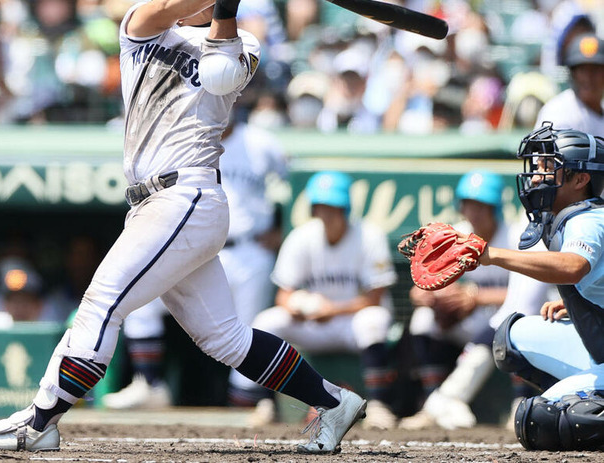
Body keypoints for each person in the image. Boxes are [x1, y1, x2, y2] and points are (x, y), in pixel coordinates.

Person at [0, 0, 366, 455]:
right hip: (156, 205)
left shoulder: (246, 42)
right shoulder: (143, 25)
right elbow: (165, 6)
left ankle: (39, 421)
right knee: (224, 337)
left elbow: (220, 76)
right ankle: (334, 402)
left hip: (188, 197)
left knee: (102, 303)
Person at [101, 107, 287, 410]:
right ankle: (149, 384)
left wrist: (281, 229)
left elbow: (297, 184)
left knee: (249, 329)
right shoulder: (184, 140)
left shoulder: (261, 142)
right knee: (141, 300)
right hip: (193, 247)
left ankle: (249, 405)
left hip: (248, 249)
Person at [229, 171, 399, 430]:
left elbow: (375, 297)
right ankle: (264, 404)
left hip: (351, 323)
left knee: (373, 320)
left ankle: (378, 406)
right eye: (320, 207)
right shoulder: (302, 236)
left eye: (332, 207)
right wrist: (299, 307)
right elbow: (283, 295)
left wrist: (334, 309)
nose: (326, 214)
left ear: (345, 208)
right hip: (314, 322)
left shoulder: (369, 236)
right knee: (267, 321)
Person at [482, 123, 604, 450]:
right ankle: (589, 391)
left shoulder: (587, 220)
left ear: (581, 179)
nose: (537, 176)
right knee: (511, 338)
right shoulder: (570, 216)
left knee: (544, 420)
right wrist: (579, 304)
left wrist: (491, 255)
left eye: (549, 168)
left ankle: (589, 397)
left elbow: (574, 266)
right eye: (537, 167)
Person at [400, 169, 512, 430]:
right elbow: (418, 289)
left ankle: (519, 403)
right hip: (466, 319)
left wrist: (475, 297)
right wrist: (431, 295)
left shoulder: (516, 235)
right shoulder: (454, 235)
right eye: (468, 204)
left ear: (494, 207)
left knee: (502, 322)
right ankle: (431, 402)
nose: (474, 212)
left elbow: (532, 294)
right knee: (423, 320)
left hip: (503, 318)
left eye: (481, 205)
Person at [534, 33, 604, 136]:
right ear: (572, 74)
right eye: (582, 70)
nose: (588, 77)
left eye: (595, 70)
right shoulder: (557, 113)